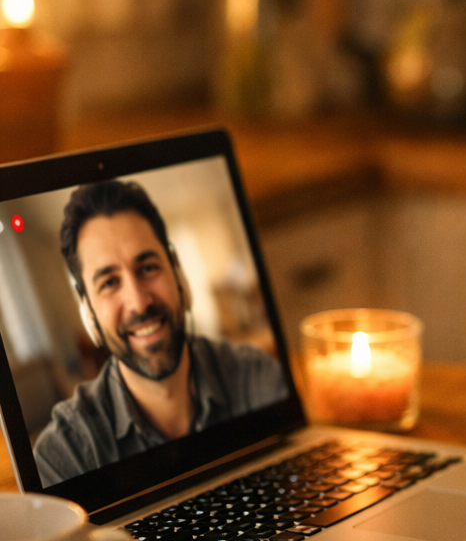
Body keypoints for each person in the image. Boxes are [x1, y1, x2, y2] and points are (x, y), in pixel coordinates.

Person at [33, 179, 287, 485]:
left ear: (178, 274)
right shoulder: (65, 454)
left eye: (148, 268)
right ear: (89, 314)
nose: (139, 302)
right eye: (109, 283)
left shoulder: (255, 375)